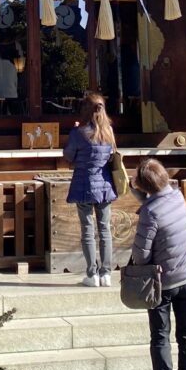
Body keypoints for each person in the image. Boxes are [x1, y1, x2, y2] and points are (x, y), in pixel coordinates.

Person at [132, 158, 186, 370]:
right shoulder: (178, 198)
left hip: (163, 281)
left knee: (160, 335)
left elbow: (140, 255)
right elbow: (160, 201)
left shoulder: (150, 212)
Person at [63, 91, 117, 287]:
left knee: (87, 230)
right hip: (104, 185)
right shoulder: (109, 132)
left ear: (85, 109)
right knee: (105, 230)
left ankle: (91, 274)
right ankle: (107, 274)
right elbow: (112, 156)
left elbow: (68, 156)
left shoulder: (78, 133)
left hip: (84, 184)